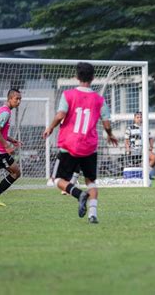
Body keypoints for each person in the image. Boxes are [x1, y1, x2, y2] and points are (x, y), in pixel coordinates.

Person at [43, 62, 118, 224]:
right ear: (93, 78)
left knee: (56, 179)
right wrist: (110, 135)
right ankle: (93, 215)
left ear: (77, 77)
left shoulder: (68, 95)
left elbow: (60, 115)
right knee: (91, 181)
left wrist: (50, 128)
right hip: (89, 146)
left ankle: (78, 194)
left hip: (69, 145)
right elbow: (106, 123)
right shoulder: (99, 100)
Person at [124, 111, 155, 179]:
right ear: (134, 118)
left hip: (144, 150)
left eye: (140, 117)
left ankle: (146, 174)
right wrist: (128, 149)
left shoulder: (145, 128)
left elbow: (150, 138)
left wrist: (151, 146)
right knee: (135, 166)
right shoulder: (129, 128)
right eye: (137, 117)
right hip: (133, 150)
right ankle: (139, 175)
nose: (139, 118)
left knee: (154, 157)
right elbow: (126, 140)